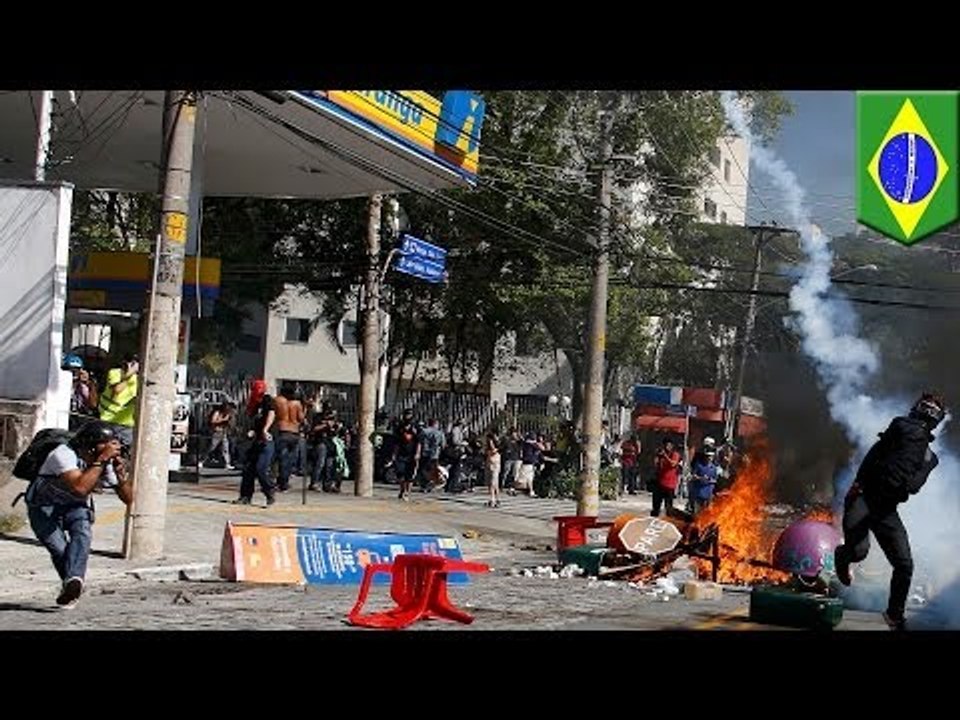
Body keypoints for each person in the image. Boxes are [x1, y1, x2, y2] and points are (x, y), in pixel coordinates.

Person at [834, 392, 946, 631]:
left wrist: (920, 467)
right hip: (863, 498)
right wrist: (857, 485)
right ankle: (843, 556)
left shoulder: (929, 457)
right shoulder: (901, 426)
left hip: (886, 509)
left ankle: (895, 615)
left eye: (933, 410)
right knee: (859, 552)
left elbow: (914, 487)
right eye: (927, 407)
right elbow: (875, 455)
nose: (928, 413)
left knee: (904, 565)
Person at [24, 420, 133, 608]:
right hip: (43, 507)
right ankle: (72, 585)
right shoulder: (62, 454)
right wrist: (99, 462)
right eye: (103, 446)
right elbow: (80, 487)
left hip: (74, 506)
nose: (109, 451)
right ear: (89, 447)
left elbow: (129, 499)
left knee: (82, 533)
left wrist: (121, 477)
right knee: (60, 550)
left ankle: (73, 583)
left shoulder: (104, 463)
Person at [234, 379, 276, 506]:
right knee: (248, 469)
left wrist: (265, 429)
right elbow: (253, 421)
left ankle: (269, 491)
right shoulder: (255, 404)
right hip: (256, 441)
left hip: (267, 441)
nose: (257, 391)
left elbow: (271, 413)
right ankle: (245, 496)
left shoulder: (267, 400)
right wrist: (251, 431)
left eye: (259, 388)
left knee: (261, 468)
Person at [97, 353, 139, 448]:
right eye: (130, 362)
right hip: (108, 419)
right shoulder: (115, 373)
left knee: (124, 451)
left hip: (126, 424)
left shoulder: (137, 380)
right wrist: (129, 374)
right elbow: (117, 390)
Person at [273, 383, 305, 492]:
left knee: (282, 459)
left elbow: (274, 414)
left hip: (283, 431)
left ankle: (281, 483)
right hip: (294, 433)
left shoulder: (278, 401)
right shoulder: (297, 404)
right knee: (289, 461)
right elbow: (301, 419)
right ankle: (284, 483)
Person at [62, 353, 99, 429]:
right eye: (70, 370)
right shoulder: (60, 384)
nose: (74, 374)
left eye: (76, 371)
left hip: (76, 418)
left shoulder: (82, 387)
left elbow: (93, 404)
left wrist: (90, 383)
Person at [390, 409, 420, 501]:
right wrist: (394, 454)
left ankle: (407, 492)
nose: (408, 417)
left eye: (409, 415)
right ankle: (402, 490)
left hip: (412, 455)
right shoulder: (400, 428)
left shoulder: (416, 428)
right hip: (401, 454)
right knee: (400, 474)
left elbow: (419, 442)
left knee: (410, 475)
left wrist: (417, 453)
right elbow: (396, 443)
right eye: (406, 415)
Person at [200, 401, 236, 470]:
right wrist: (222, 420)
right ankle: (202, 460)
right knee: (211, 447)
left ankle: (227, 463)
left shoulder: (227, 414)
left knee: (225, 448)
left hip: (223, 432)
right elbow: (212, 421)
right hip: (216, 432)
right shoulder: (217, 413)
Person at [652, 437, 681, 517]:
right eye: (665, 445)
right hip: (660, 483)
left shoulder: (675, 454)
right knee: (656, 507)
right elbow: (656, 466)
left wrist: (665, 456)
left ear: (672, 446)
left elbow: (673, 464)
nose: (667, 447)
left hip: (670, 485)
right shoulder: (661, 455)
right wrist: (657, 456)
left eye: (669, 445)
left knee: (668, 508)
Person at [689, 441, 719, 514]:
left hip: (708, 495)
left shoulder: (714, 468)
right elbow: (693, 476)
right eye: (708, 456)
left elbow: (715, 480)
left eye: (711, 457)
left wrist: (709, 480)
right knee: (697, 514)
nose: (709, 458)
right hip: (698, 494)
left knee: (706, 514)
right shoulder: (699, 465)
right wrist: (700, 478)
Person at [483, 429, 502, 508]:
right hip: (489, 465)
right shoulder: (487, 449)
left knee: (493, 483)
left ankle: (493, 500)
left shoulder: (497, 449)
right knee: (492, 484)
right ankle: (496, 499)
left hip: (495, 466)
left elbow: (494, 453)